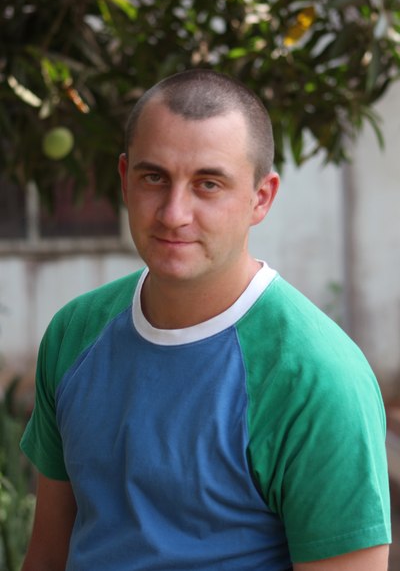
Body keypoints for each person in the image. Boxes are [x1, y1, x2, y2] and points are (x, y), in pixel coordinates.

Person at [20, 69, 391, 571]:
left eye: (208, 184)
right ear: (125, 179)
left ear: (261, 197)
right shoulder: (75, 333)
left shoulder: (317, 379)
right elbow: (48, 556)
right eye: (155, 177)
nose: (174, 213)